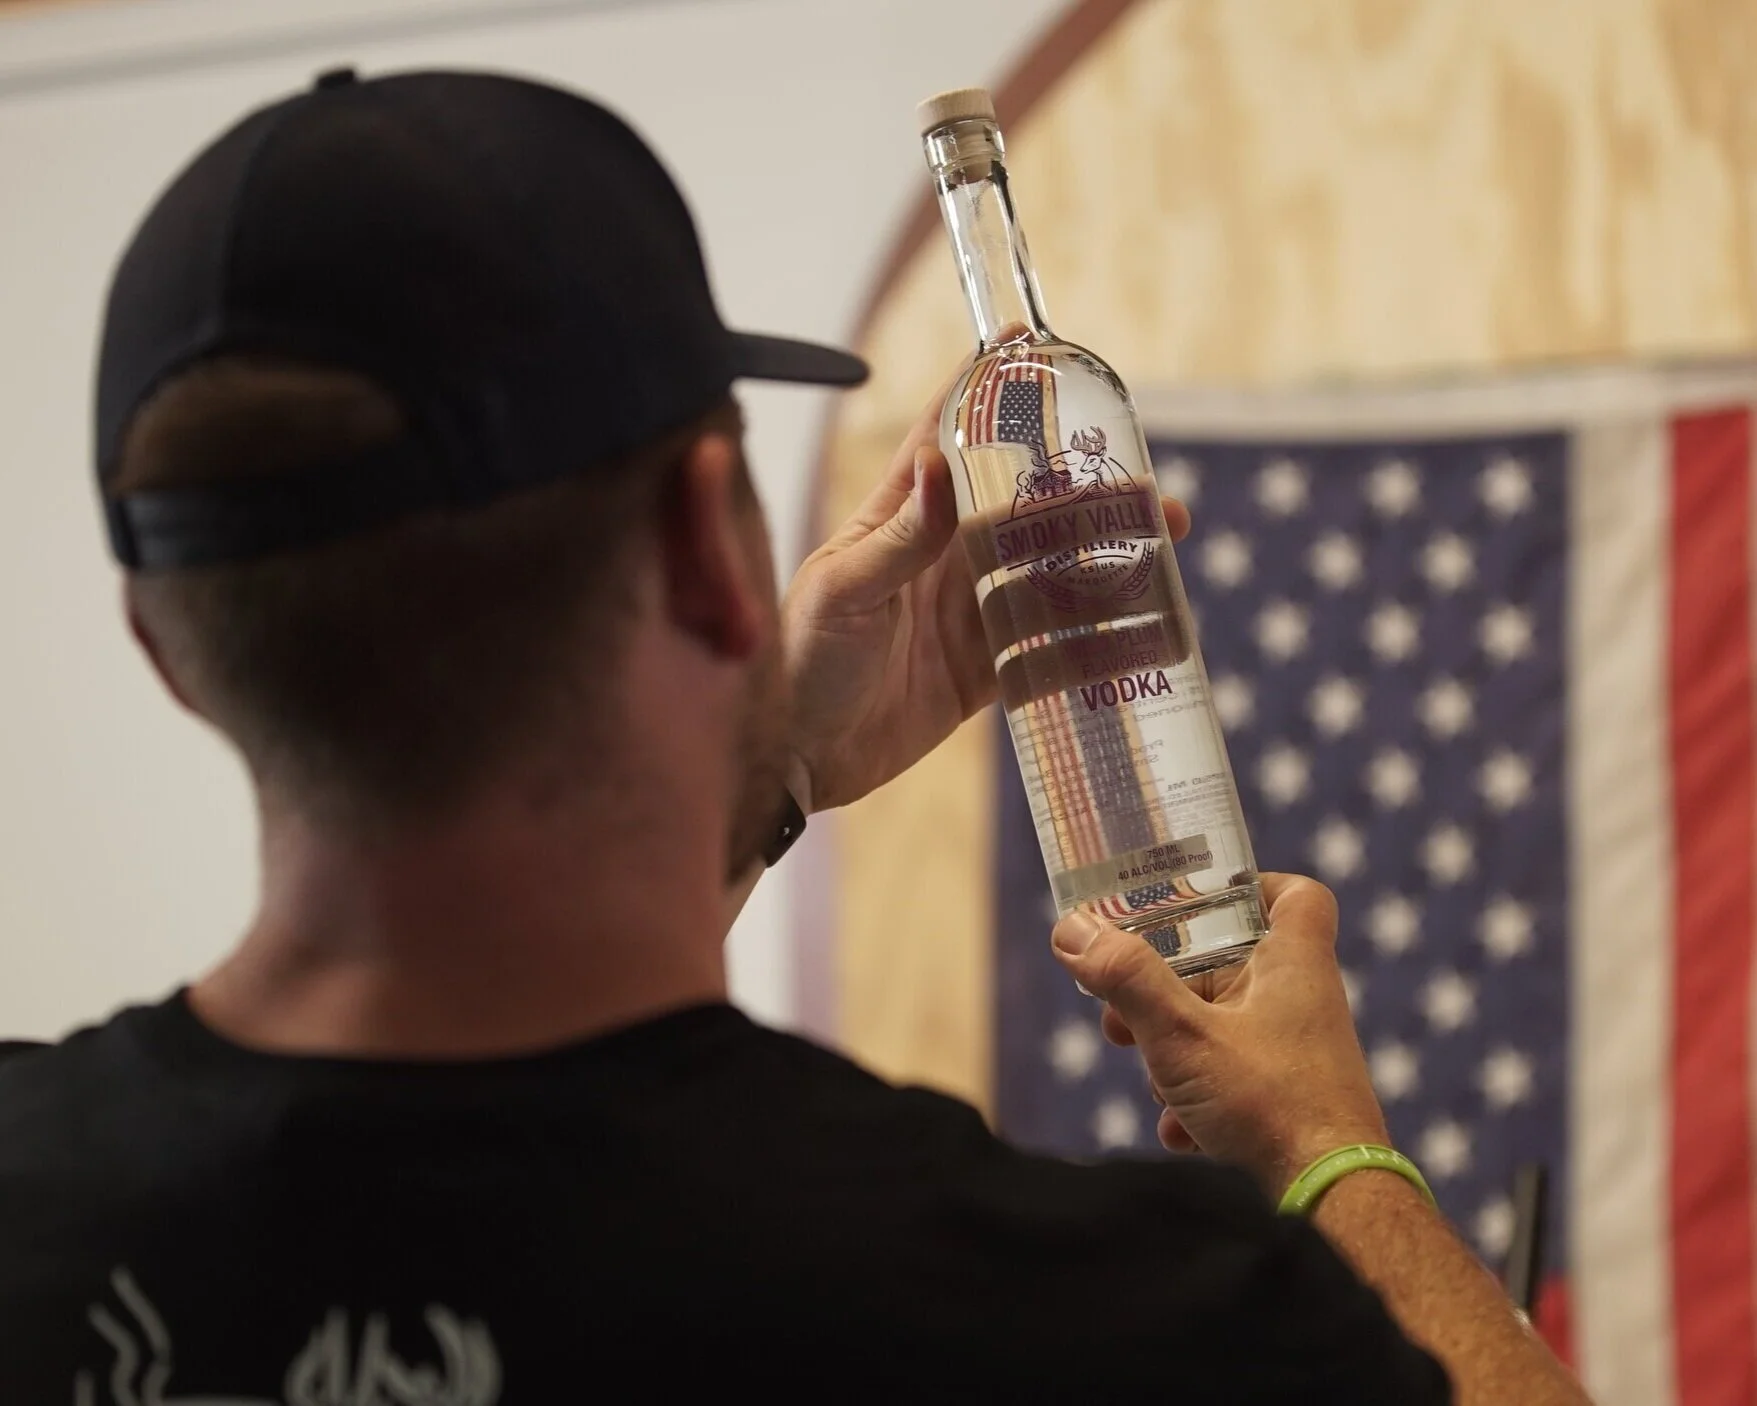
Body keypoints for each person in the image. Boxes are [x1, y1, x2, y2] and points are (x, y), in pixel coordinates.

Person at [0, 69, 1587, 1404]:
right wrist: (1328, 1151)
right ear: (711, 539)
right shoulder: (1070, 1311)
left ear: (166, 648)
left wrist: (770, 771)